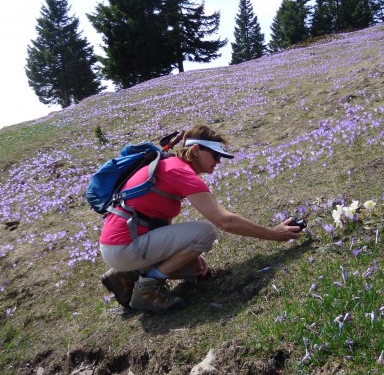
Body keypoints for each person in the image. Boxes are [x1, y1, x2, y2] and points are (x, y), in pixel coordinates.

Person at [99, 124, 302, 313]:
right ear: (196, 150)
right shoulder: (180, 172)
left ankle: (124, 275)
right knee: (205, 232)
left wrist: (191, 255)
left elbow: (161, 224)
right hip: (124, 248)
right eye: (215, 155)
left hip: (119, 246)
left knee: (193, 269)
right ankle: (147, 288)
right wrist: (275, 234)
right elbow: (225, 222)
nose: (218, 162)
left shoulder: (168, 166)